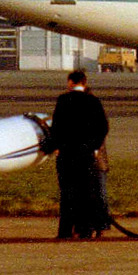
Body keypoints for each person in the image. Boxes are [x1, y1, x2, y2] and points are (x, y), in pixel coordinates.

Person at [47, 70, 111, 239]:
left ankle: (66, 230)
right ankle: (86, 229)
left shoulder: (63, 100)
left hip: (67, 153)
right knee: (87, 192)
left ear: (70, 82)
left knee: (67, 193)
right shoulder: (93, 101)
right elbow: (103, 127)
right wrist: (94, 147)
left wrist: (56, 146)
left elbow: (56, 127)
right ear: (84, 82)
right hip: (86, 154)